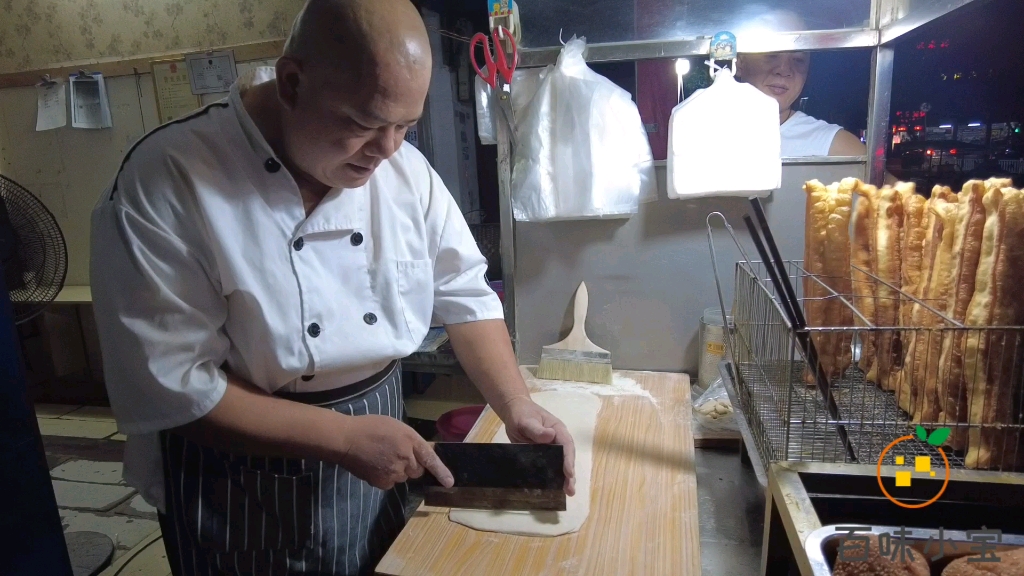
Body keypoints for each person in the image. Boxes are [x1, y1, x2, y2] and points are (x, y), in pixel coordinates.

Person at [89, 1, 576, 574]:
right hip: (237, 470)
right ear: (292, 82)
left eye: (406, 127)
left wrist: (517, 405)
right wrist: (341, 440)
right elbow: (173, 385)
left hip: (379, 435)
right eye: (365, 124)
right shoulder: (167, 180)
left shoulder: (405, 172)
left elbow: (464, 293)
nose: (389, 149)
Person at [737, 51, 867, 157]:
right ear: (739, 63)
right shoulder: (716, 129)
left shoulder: (832, 144)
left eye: (798, 60)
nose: (784, 70)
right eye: (772, 55)